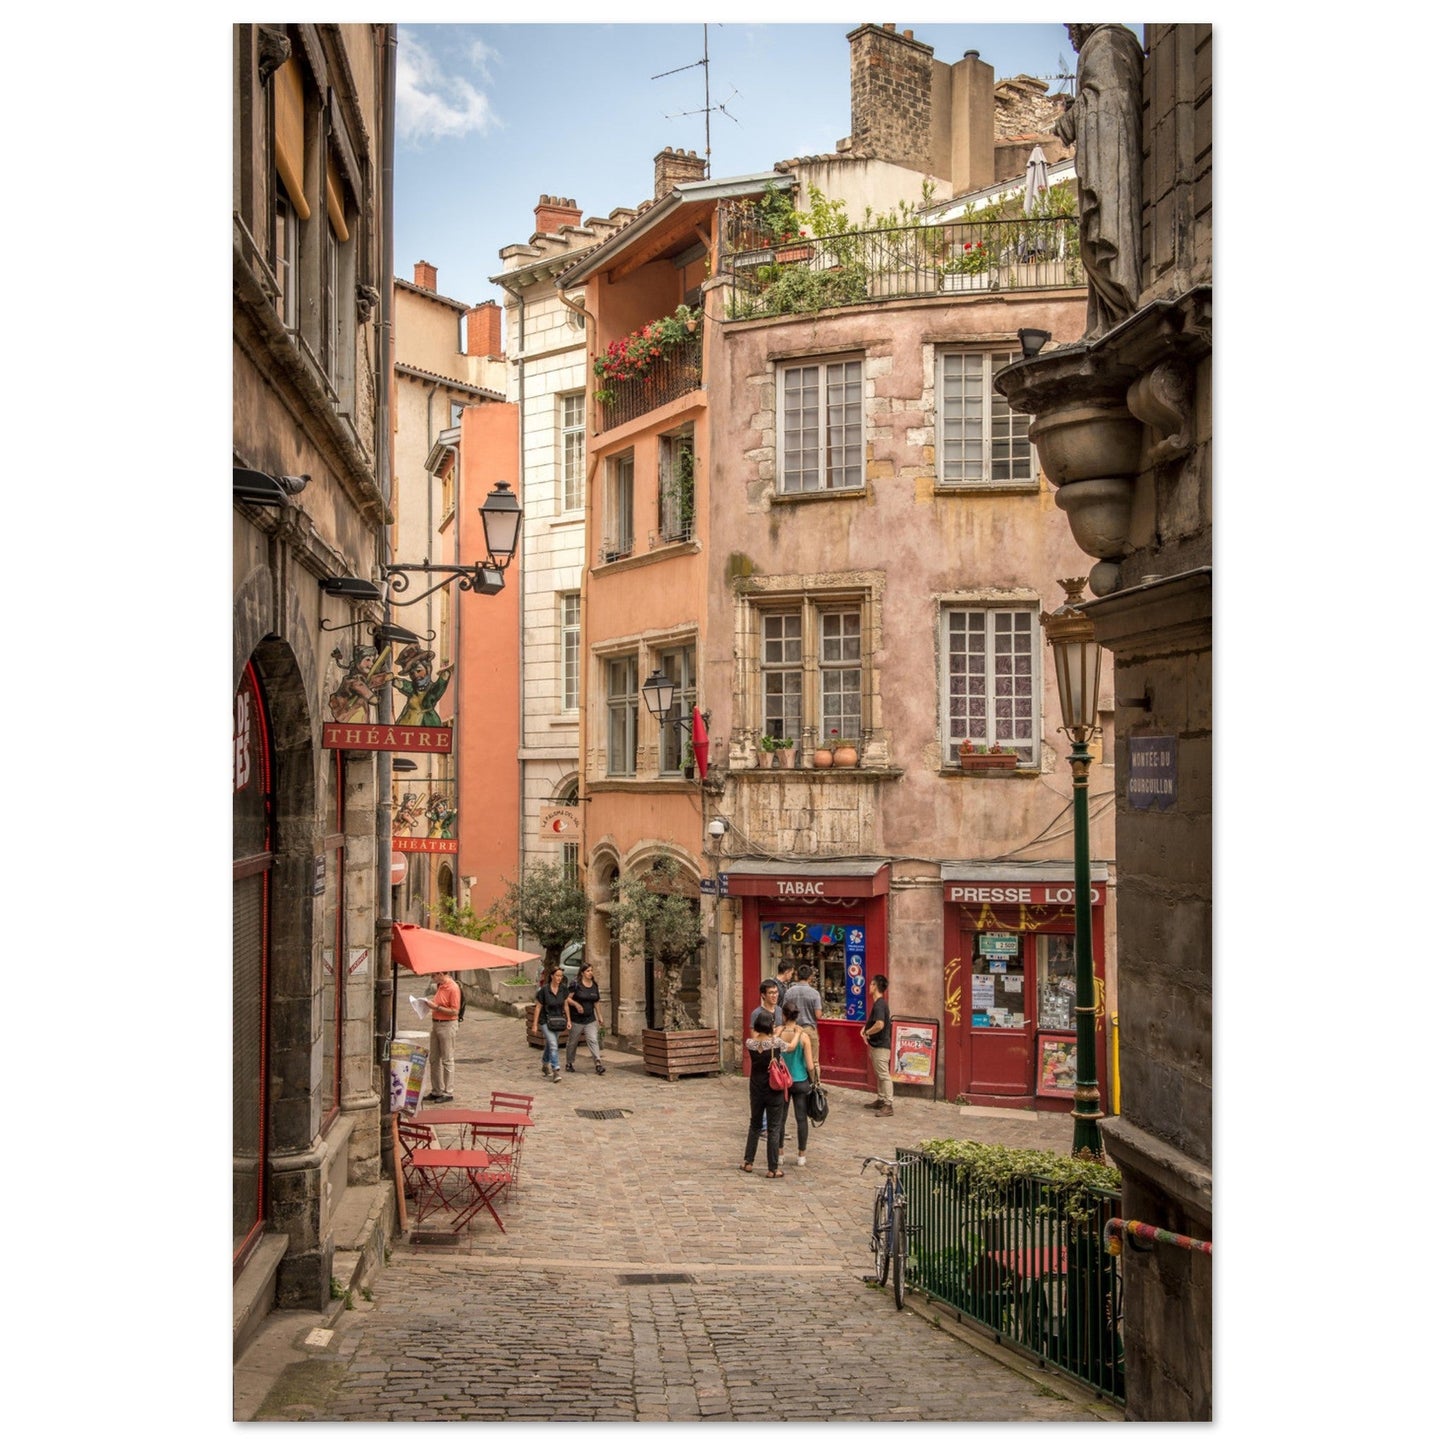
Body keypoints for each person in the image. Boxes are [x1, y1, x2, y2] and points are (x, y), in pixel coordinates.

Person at [1054, 23, 1144, 339]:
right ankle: (1111, 316)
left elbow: (1111, 105)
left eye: (1070, 25)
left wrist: (1074, 116)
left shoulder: (1107, 41)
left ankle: (1122, 307)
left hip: (1113, 164)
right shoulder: (1102, 43)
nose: (1069, 34)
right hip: (1103, 160)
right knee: (1091, 243)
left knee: (1103, 236)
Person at [740, 1014, 788, 1179]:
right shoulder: (776, 1043)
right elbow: (790, 1046)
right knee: (774, 1128)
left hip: (756, 1087)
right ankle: (772, 1168)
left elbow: (756, 1039)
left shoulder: (750, 1044)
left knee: (755, 1124)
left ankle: (748, 1161)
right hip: (773, 1088)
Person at [778, 1003, 816, 1167]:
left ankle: (780, 1153)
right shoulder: (803, 1036)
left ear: (784, 1016)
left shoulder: (778, 1033)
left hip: (782, 1081)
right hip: (800, 1080)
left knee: (781, 1119)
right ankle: (801, 1154)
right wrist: (814, 1079)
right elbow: (810, 1065)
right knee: (801, 1119)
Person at [422, 968, 461, 1102]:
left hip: (447, 1025)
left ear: (440, 974)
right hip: (436, 1024)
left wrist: (436, 1007)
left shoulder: (453, 988)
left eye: (433, 975)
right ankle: (436, 1090)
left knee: (447, 1059)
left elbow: (455, 1011)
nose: (432, 977)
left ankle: (448, 1092)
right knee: (434, 1058)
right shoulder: (440, 986)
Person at [782, 962, 824, 1082]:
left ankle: (791, 1080)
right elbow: (818, 1015)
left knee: (793, 1058)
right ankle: (815, 1085)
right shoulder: (814, 993)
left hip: (792, 1029)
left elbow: (784, 1010)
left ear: (797, 976)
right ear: (810, 977)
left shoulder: (789, 992)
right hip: (809, 1029)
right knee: (814, 1060)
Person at [565, 961, 607, 1075]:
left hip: (590, 1019)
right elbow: (567, 999)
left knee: (593, 1040)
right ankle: (569, 1062)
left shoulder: (594, 985)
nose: (590, 973)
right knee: (572, 1042)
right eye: (588, 971)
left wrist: (600, 1017)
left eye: (591, 971)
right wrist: (576, 1004)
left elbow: (596, 1002)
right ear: (582, 973)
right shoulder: (575, 984)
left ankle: (598, 1063)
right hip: (576, 1019)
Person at [860, 974, 893, 1116]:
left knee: (884, 1075)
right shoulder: (879, 1003)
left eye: (871, 984)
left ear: (875, 986)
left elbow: (880, 1024)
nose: (869, 986)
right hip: (877, 1044)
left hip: (881, 1045)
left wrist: (867, 1032)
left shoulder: (880, 1004)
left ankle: (888, 1104)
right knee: (880, 1074)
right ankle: (881, 1099)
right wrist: (865, 1028)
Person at [532, 963, 571, 1084]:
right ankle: (555, 1070)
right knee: (554, 1044)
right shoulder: (544, 990)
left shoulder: (563, 989)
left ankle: (545, 1063)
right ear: (552, 976)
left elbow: (565, 1004)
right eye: (557, 975)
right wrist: (534, 1024)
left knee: (551, 1044)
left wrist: (568, 1019)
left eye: (561, 976)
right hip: (545, 1020)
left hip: (558, 1021)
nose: (559, 978)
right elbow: (538, 1007)